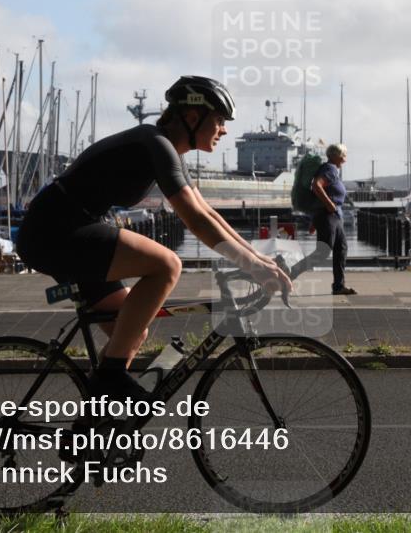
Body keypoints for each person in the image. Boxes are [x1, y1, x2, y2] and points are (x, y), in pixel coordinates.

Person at [16, 76, 291, 402]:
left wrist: (259, 261)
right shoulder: (155, 143)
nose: (224, 130)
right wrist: (253, 266)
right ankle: (111, 376)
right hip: (56, 231)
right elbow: (197, 220)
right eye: (219, 120)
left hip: (64, 230)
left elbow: (209, 213)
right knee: (166, 265)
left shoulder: (164, 147)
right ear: (192, 118)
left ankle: (92, 430)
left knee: (131, 331)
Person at [292, 143, 356, 295]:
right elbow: (316, 186)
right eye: (343, 156)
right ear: (335, 156)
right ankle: (288, 273)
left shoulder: (330, 169)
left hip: (333, 217)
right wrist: (330, 206)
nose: (345, 160)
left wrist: (316, 220)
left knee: (341, 250)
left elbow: (321, 193)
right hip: (329, 216)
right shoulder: (330, 169)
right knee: (322, 253)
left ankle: (339, 286)